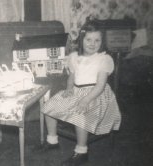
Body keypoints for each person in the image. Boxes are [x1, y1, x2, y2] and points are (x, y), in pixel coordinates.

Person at [38, 21, 122, 166]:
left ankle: (82, 151)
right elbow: (72, 77)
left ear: (102, 42)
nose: (92, 43)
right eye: (88, 39)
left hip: (95, 94)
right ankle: (52, 140)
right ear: (81, 40)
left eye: (97, 40)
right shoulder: (74, 57)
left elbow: (101, 85)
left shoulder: (103, 59)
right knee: (49, 106)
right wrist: (69, 88)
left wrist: (86, 100)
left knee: (80, 115)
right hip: (76, 90)